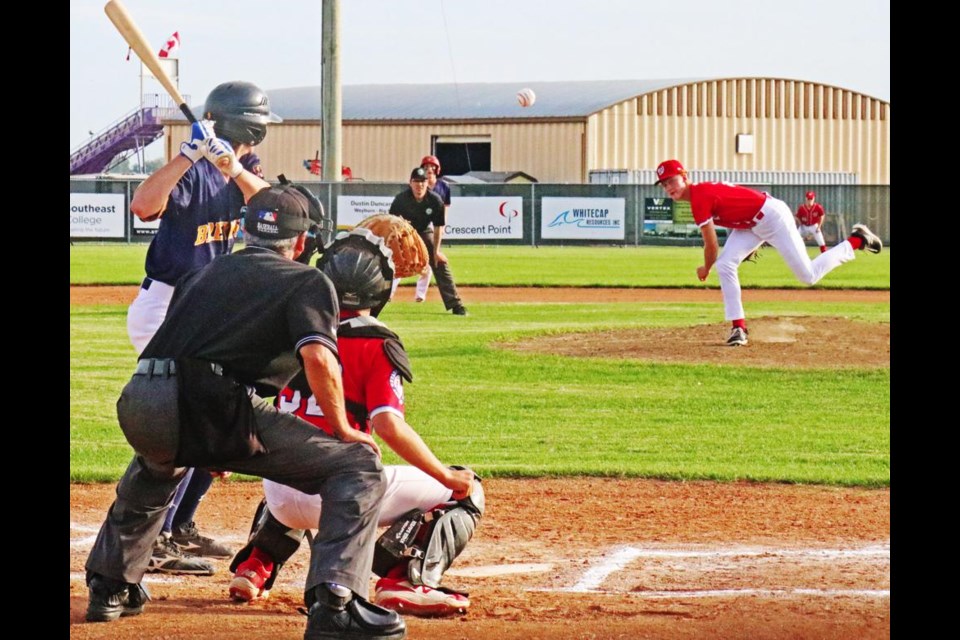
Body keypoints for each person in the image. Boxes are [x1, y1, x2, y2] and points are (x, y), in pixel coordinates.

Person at [84, 184, 407, 640]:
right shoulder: (307, 280)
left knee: (156, 467)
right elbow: (318, 358)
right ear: (300, 243)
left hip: (140, 397)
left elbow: (183, 350)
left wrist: (210, 442)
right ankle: (336, 601)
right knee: (357, 466)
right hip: (210, 401)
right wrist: (340, 427)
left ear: (244, 230)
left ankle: (109, 587)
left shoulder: (204, 273)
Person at [227, 227, 483, 617]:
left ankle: (257, 563)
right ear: (380, 291)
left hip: (279, 496)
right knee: (467, 489)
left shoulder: (290, 327)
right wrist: (450, 478)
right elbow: (388, 426)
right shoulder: (377, 342)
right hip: (341, 496)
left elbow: (243, 393)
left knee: (293, 452)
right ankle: (406, 579)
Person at [126, 81, 278, 574]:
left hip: (203, 309)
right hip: (166, 308)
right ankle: (157, 537)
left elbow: (275, 209)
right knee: (188, 420)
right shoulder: (190, 172)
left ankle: (180, 523)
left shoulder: (240, 169)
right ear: (247, 124)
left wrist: (229, 165)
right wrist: (188, 155)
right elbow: (143, 206)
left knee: (225, 413)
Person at [654, 159, 883, 347]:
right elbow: (735, 207)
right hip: (753, 223)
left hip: (773, 217)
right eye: (664, 184)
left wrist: (705, 268)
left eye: (672, 180)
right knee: (726, 264)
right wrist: (746, 245)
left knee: (808, 275)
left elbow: (711, 245)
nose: (669, 187)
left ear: (685, 176)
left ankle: (855, 240)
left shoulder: (699, 198)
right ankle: (739, 328)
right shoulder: (701, 194)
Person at [388, 167, 467, 315]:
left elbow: (438, 228)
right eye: (416, 182)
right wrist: (394, 246)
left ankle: (455, 304)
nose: (420, 185)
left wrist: (436, 252)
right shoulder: (401, 199)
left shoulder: (435, 200)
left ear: (427, 183)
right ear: (410, 183)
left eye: (423, 182)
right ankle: (376, 300)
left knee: (440, 262)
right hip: (404, 232)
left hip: (424, 231)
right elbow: (391, 223)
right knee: (387, 260)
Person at [410, 155, 450, 303]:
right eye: (426, 167)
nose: (428, 170)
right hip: (418, 225)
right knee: (402, 259)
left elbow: (444, 209)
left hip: (432, 225)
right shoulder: (418, 185)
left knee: (430, 260)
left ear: (436, 169)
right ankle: (389, 293)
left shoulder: (443, 187)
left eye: (432, 167)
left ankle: (420, 295)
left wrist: (441, 227)